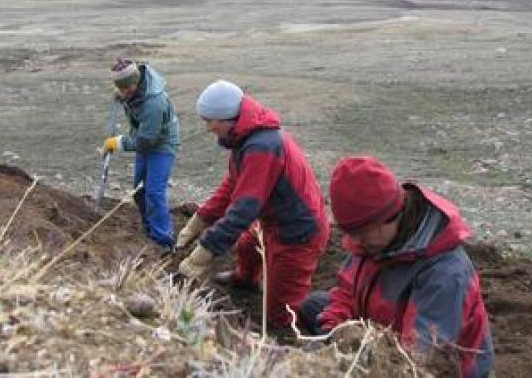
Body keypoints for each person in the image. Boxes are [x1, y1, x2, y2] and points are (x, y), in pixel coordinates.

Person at [300, 156, 494, 378]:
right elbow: (347, 292)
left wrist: (355, 365)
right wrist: (332, 334)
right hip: (385, 328)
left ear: (390, 216)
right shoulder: (374, 240)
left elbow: (420, 357)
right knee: (315, 306)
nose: (356, 241)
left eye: (361, 234)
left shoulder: (445, 271)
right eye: (352, 234)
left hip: (438, 362)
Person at [176, 80, 329, 329]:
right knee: (248, 246)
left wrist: (204, 251)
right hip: (274, 220)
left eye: (209, 121)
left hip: (298, 231)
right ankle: (245, 280)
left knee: (281, 310)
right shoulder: (245, 138)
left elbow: (243, 211)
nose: (207, 128)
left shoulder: (262, 147)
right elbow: (231, 188)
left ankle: (287, 337)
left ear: (227, 119)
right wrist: (197, 223)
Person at [102, 57, 180, 251]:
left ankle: (163, 240)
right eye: (121, 88)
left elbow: (146, 140)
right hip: (144, 139)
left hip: (161, 144)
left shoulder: (153, 102)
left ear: (136, 82)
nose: (124, 92)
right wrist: (123, 94)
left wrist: (118, 142)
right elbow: (132, 99)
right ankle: (149, 229)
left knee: (154, 191)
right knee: (139, 189)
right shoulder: (133, 89)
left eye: (127, 88)